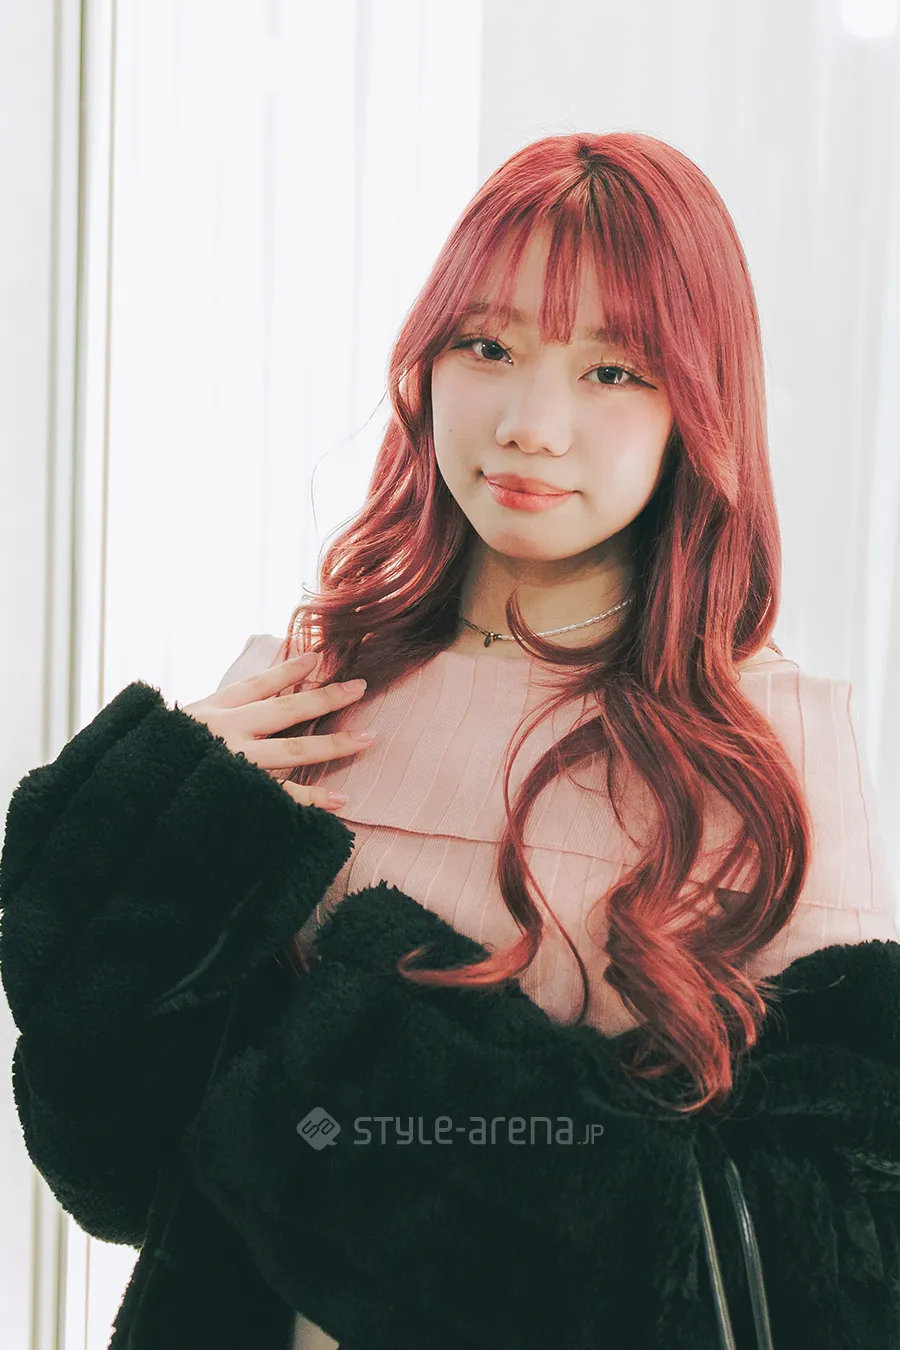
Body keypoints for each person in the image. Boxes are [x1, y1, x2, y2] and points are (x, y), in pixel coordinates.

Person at [2, 130, 899, 1350]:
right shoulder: (298, 690)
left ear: (699, 401)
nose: (531, 424)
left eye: (613, 370)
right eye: (488, 346)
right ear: (426, 362)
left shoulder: (768, 750)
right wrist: (152, 820)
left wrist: (369, 1077)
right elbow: (114, 1171)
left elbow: (837, 1277)